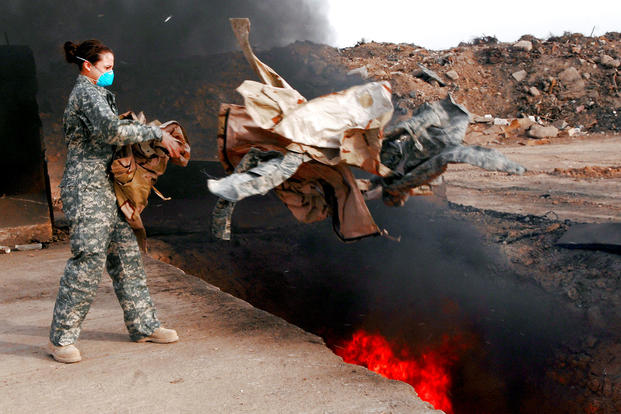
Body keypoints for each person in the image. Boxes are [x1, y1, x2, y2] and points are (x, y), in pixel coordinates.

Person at [48, 39, 182, 363]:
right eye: (106, 67)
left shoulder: (101, 92)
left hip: (109, 189)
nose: (111, 72)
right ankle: (61, 339)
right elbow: (110, 130)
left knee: (126, 258)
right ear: (87, 66)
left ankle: (144, 325)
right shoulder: (85, 92)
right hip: (87, 189)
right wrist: (155, 133)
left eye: (112, 66)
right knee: (88, 261)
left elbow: (116, 129)